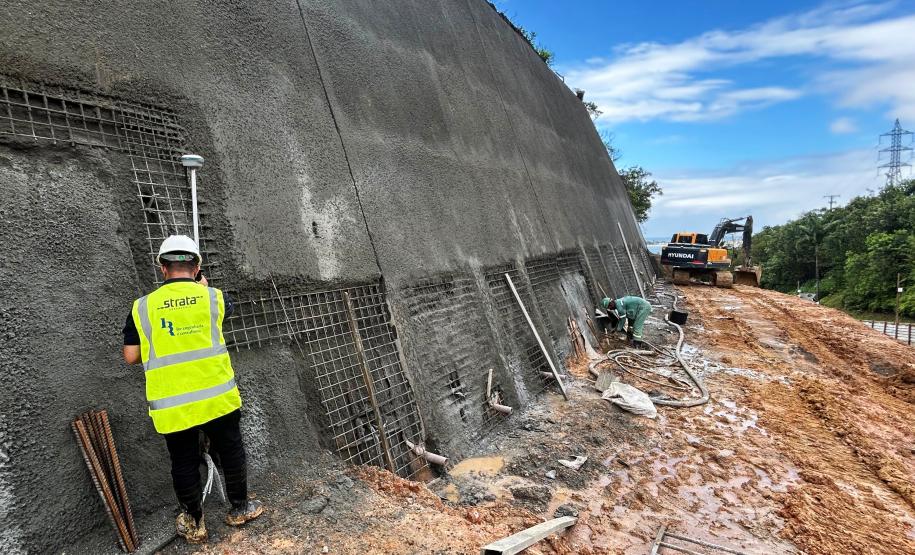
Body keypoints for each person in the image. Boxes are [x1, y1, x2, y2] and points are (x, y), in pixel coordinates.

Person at [122, 235, 263, 543]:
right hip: (218, 398)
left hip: (173, 406)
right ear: (198, 266)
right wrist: (200, 289)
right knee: (231, 452)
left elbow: (131, 356)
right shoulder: (214, 298)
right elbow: (217, 319)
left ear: (162, 268)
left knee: (183, 461)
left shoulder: (142, 308)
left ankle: (195, 524)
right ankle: (240, 507)